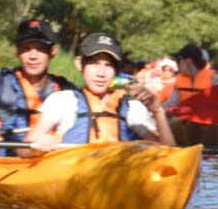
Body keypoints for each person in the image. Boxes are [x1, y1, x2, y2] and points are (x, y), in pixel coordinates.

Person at [24, 32, 176, 150]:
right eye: (94, 64)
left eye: (108, 65)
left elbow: (168, 153)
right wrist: (39, 144)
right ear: (79, 64)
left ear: (116, 71)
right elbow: (24, 149)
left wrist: (157, 110)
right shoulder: (64, 101)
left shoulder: (130, 107)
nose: (101, 73)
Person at [0, 19, 76, 154]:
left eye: (40, 49)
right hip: (4, 169)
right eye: (26, 49)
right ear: (17, 52)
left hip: (52, 168)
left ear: (53, 51)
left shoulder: (66, 90)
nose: (33, 56)